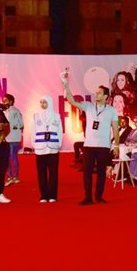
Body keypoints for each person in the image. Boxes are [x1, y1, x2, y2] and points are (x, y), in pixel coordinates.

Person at [63, 68, 117, 205]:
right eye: (96, 92)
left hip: (104, 146)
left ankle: (99, 196)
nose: (96, 94)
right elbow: (71, 101)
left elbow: (115, 128)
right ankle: (88, 197)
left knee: (101, 172)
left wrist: (116, 145)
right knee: (87, 172)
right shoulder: (88, 106)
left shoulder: (112, 111)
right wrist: (66, 84)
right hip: (89, 145)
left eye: (99, 93)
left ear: (106, 96)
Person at [33, 95, 62, 203]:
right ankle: (44, 195)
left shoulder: (56, 116)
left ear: (49, 102)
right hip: (40, 148)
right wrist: (35, 145)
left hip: (53, 148)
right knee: (41, 173)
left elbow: (60, 131)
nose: (42, 104)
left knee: (53, 173)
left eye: (44, 102)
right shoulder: (36, 116)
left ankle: (53, 195)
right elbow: (33, 131)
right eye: (41, 102)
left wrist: (58, 144)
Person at [2, 94, 24, 186]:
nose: (4, 102)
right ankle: (15, 177)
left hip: (9, 138)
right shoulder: (17, 111)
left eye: (5, 100)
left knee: (9, 157)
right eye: (3, 100)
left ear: (11, 101)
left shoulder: (6, 112)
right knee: (13, 157)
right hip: (14, 137)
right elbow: (22, 125)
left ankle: (11, 177)